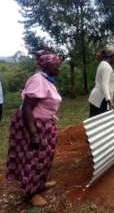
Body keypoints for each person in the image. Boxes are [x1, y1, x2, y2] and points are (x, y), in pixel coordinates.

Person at [6, 51, 62, 206]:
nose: (59, 67)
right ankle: (30, 193)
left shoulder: (47, 80)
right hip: (33, 126)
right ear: (47, 65)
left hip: (45, 124)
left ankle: (39, 184)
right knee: (33, 159)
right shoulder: (38, 80)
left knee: (44, 157)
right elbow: (27, 108)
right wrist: (33, 135)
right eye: (56, 64)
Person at [88, 46, 114, 117]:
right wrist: (109, 101)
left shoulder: (102, 64)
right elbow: (105, 84)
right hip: (102, 99)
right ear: (112, 56)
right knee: (101, 122)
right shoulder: (107, 66)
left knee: (94, 121)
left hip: (97, 97)